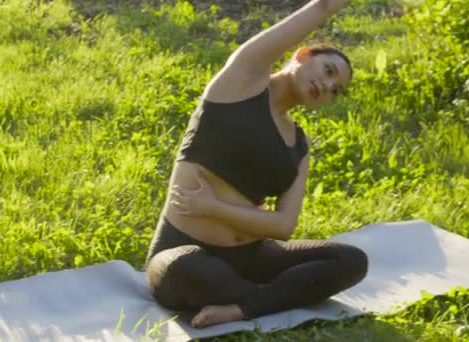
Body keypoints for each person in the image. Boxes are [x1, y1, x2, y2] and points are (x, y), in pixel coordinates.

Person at [144, 0, 368, 328]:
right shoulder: (239, 84)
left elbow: (283, 227)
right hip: (182, 251)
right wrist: (326, 7)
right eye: (328, 71)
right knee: (188, 268)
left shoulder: (299, 145)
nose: (328, 86)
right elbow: (320, 8)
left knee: (350, 260)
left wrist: (211, 206)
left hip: (252, 258)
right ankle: (273, 297)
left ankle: (242, 307)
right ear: (302, 55)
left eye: (336, 90)